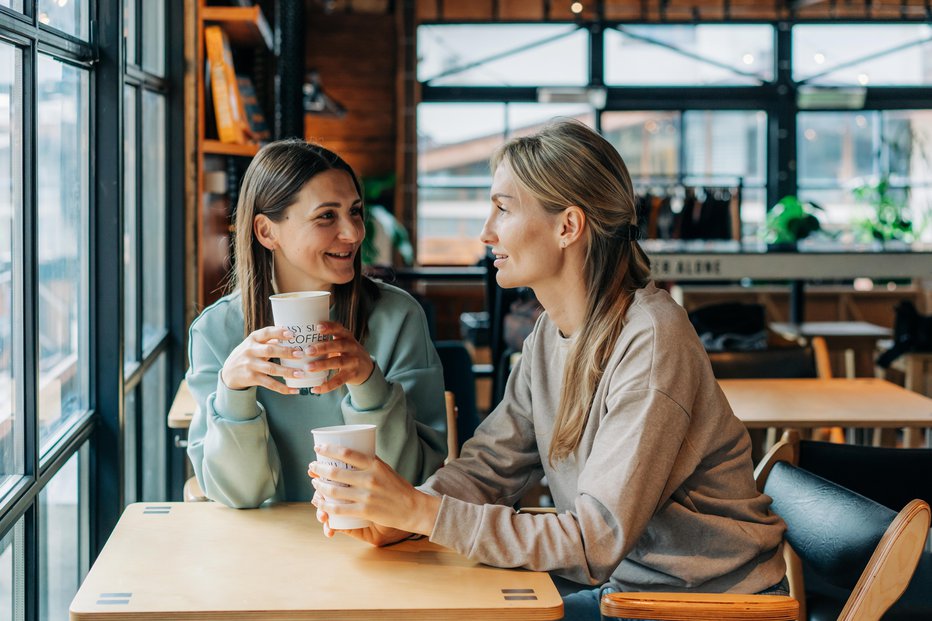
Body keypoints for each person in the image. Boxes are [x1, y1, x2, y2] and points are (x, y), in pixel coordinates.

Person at [308, 120, 787, 620]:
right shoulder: (549, 335)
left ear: (568, 226)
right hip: (629, 592)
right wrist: (401, 515)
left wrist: (420, 512)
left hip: (707, 608)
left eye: (503, 208)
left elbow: (593, 542)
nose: (486, 232)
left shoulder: (651, 339)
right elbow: (489, 466)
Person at [186, 139, 447, 509]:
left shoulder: (397, 317)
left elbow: (412, 480)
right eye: (327, 216)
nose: (354, 233)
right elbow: (240, 497)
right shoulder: (216, 332)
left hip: (376, 546)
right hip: (265, 550)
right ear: (266, 231)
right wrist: (234, 393)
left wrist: (368, 382)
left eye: (355, 212)